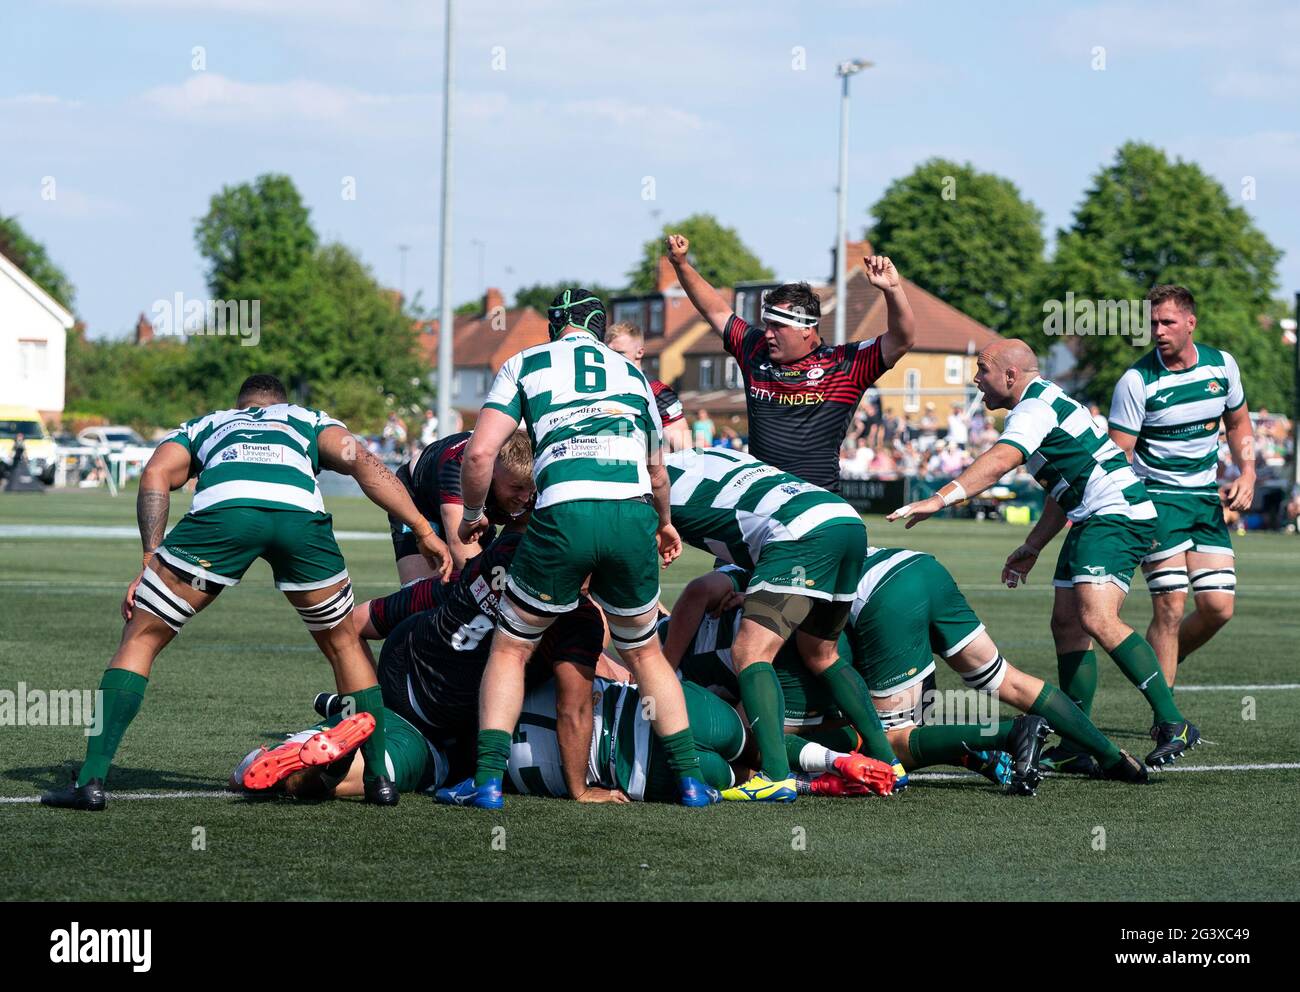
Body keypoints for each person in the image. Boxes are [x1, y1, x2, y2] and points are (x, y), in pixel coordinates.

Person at [41, 374, 453, 811]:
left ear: (241, 405)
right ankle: (377, 781)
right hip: (299, 525)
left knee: (142, 636)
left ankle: (90, 781)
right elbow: (364, 462)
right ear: (281, 402)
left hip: (224, 522)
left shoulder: (208, 424)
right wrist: (423, 530)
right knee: (343, 643)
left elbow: (157, 472)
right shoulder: (307, 420)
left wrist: (150, 558)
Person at [437, 287, 718, 809]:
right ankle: (691, 782)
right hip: (632, 509)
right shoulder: (632, 373)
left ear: (555, 326)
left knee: (512, 648)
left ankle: (488, 783)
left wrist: (474, 515)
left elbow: (479, 456)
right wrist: (664, 524)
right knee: (646, 654)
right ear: (598, 326)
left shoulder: (525, 362)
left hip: (564, 509)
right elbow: (658, 469)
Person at [887, 339, 1200, 769]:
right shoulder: (1043, 402)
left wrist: (940, 498)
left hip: (1115, 513)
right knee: (1068, 624)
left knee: (1095, 616)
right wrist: (1033, 545)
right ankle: (1077, 744)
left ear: (1010, 375)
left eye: (982, 369)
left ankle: (1173, 722)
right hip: (1094, 514)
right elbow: (1061, 490)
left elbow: (1001, 460)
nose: (977, 379)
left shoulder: (1032, 409)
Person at [664, 446, 872, 801]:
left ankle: (776, 776)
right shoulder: (700, 455)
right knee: (822, 654)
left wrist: (662, 671)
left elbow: (690, 587)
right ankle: (887, 760)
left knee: (750, 651)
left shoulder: (641, 487)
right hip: (845, 520)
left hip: (798, 534)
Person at [666, 233, 915, 492]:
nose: (767, 334)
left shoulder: (845, 364)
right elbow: (716, 310)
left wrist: (893, 290)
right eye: (767, 325)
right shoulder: (755, 350)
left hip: (816, 504)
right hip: (761, 502)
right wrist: (682, 265)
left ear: (805, 329)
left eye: (777, 326)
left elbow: (901, 340)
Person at [1107, 285, 1254, 688]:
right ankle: (1167, 719)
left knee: (1218, 608)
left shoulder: (1222, 366)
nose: (1158, 330)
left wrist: (1248, 472)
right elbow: (1120, 454)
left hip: (1205, 501)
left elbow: (1239, 422)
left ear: (1190, 323)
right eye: (1153, 322)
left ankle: (1164, 659)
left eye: (1167, 321)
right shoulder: (1136, 381)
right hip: (1158, 501)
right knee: (1170, 607)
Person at [386, 430, 535, 583]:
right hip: (420, 500)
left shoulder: (542, 476)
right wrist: (492, 591)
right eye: (517, 487)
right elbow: (461, 546)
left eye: (531, 488)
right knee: (419, 595)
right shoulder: (459, 466)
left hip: (473, 503)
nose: (525, 497)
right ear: (493, 470)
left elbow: (524, 530)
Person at [605, 321, 692, 451]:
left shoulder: (656, 391)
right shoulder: (600, 388)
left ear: (639, 353)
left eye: (619, 353)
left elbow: (685, 450)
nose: (610, 359)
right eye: (607, 353)